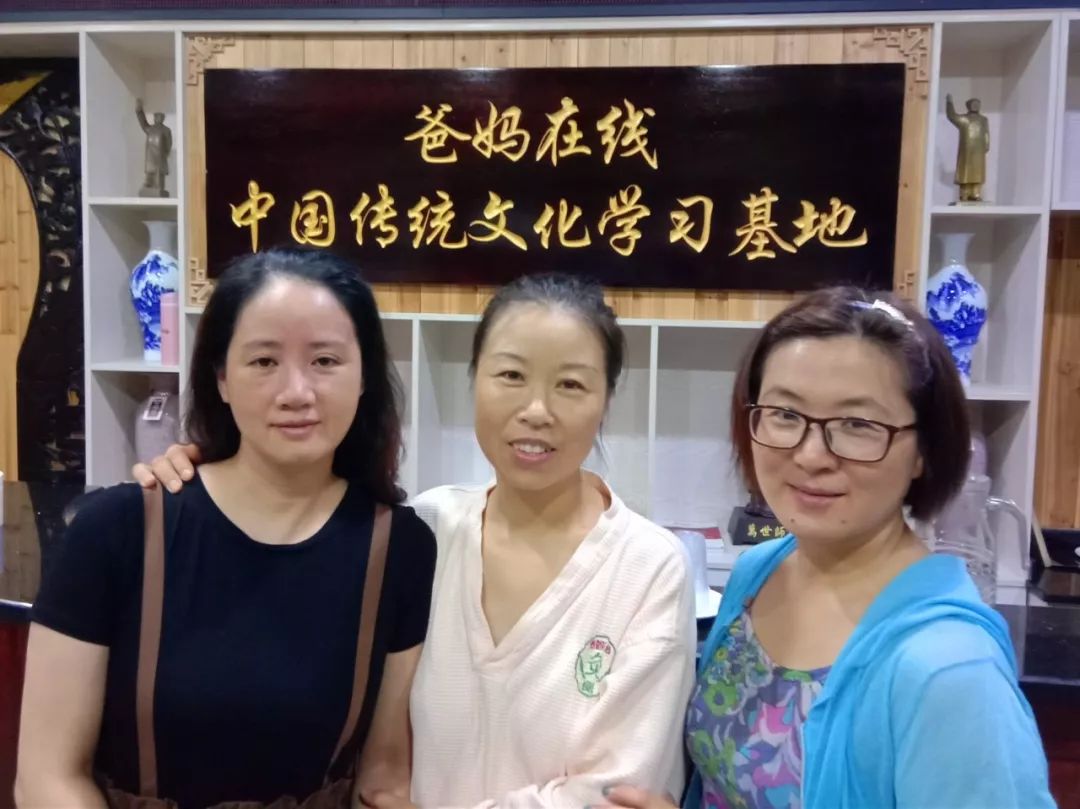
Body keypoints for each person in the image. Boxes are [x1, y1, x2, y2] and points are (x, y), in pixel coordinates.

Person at [130, 273, 697, 808]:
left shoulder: (647, 567)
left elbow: (619, 792)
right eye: (510, 375)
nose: (535, 410)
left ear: (606, 400)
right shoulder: (424, 528)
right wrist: (208, 478)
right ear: (474, 380)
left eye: (570, 385)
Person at [599, 288, 1054, 809]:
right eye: (785, 414)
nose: (811, 455)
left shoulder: (949, 670)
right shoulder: (759, 573)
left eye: (858, 424)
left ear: (923, 451)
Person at [17, 249, 437, 808]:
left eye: (325, 360)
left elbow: (383, 780)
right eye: (263, 361)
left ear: (364, 377)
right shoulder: (115, 531)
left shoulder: (400, 548)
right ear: (220, 378)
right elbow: (46, 777)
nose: (296, 392)